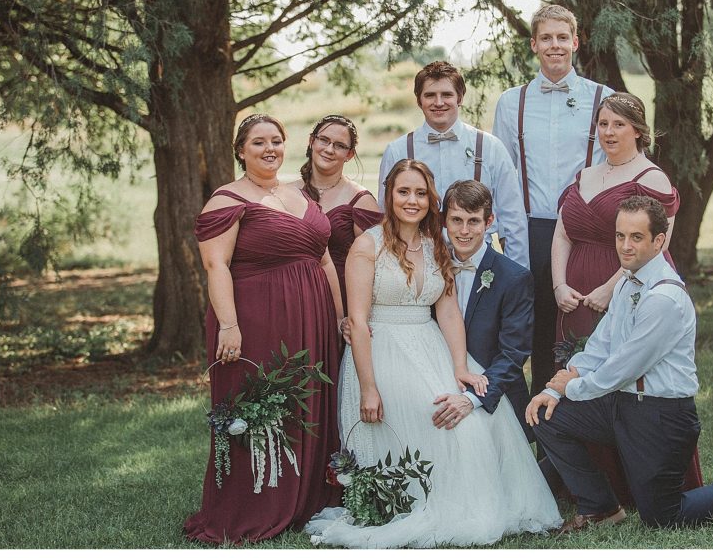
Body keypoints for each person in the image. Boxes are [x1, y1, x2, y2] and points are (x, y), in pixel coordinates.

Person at [306, 160, 560, 548]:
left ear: (431, 200)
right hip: (382, 352)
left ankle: (471, 504)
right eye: (403, 191)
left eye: (421, 193)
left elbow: (446, 308)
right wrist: (369, 387)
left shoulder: (434, 244)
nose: (412, 200)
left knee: (470, 419)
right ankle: (418, 501)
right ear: (389, 195)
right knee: (434, 417)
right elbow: (357, 322)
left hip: (431, 346)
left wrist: (461, 367)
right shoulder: (367, 244)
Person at [527, 196, 713, 531]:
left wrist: (571, 386)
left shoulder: (663, 298)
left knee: (663, 516)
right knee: (547, 417)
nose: (625, 246)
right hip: (621, 403)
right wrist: (557, 391)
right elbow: (602, 346)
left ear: (658, 241)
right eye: (620, 236)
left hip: (661, 415)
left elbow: (623, 368)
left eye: (636, 237)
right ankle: (601, 508)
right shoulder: (629, 283)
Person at [184, 114, 344, 545]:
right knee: (261, 402)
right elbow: (215, 264)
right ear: (241, 150)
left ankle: (308, 495)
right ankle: (254, 502)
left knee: (309, 406)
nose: (269, 148)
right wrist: (229, 326)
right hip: (257, 318)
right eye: (258, 142)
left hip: (313, 319)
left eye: (276, 140)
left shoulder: (297, 193)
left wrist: (340, 315)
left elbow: (325, 259)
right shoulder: (226, 200)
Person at [551, 92, 703, 503]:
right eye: (603, 123)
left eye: (618, 124)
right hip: (577, 290)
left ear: (638, 130)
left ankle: (635, 484)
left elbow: (657, 239)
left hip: (622, 282)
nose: (609, 131)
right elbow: (563, 230)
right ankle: (589, 486)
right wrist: (559, 284)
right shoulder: (584, 175)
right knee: (586, 358)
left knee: (625, 366)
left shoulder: (650, 177)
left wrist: (611, 286)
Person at [492, 4, 613, 400]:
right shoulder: (511, 103)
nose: (555, 45)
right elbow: (503, 174)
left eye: (563, 37)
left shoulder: (603, 98)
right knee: (539, 335)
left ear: (575, 43)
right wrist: (506, 239)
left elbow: (612, 166)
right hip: (530, 231)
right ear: (534, 45)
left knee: (584, 331)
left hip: (587, 230)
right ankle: (545, 445)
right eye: (546, 38)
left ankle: (586, 428)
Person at [379, 61, 529, 269]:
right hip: (417, 264)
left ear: (460, 98)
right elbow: (386, 216)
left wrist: (516, 277)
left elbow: (514, 219)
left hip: (478, 264)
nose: (438, 102)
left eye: (447, 95)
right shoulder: (398, 150)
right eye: (430, 95)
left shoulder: (490, 147)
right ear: (418, 100)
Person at [434, 179, 533, 434]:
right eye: (456, 220)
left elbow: (513, 354)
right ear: (444, 220)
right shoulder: (431, 267)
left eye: (474, 221)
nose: (464, 231)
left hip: (491, 394)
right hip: (436, 383)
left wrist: (472, 399)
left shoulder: (514, 278)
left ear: (489, 222)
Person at [298, 114, 382, 310]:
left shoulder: (362, 201)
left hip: (343, 302)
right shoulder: (287, 192)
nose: (329, 149)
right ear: (312, 141)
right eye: (324, 140)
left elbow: (376, 267)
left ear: (350, 154)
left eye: (339, 145)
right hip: (297, 296)